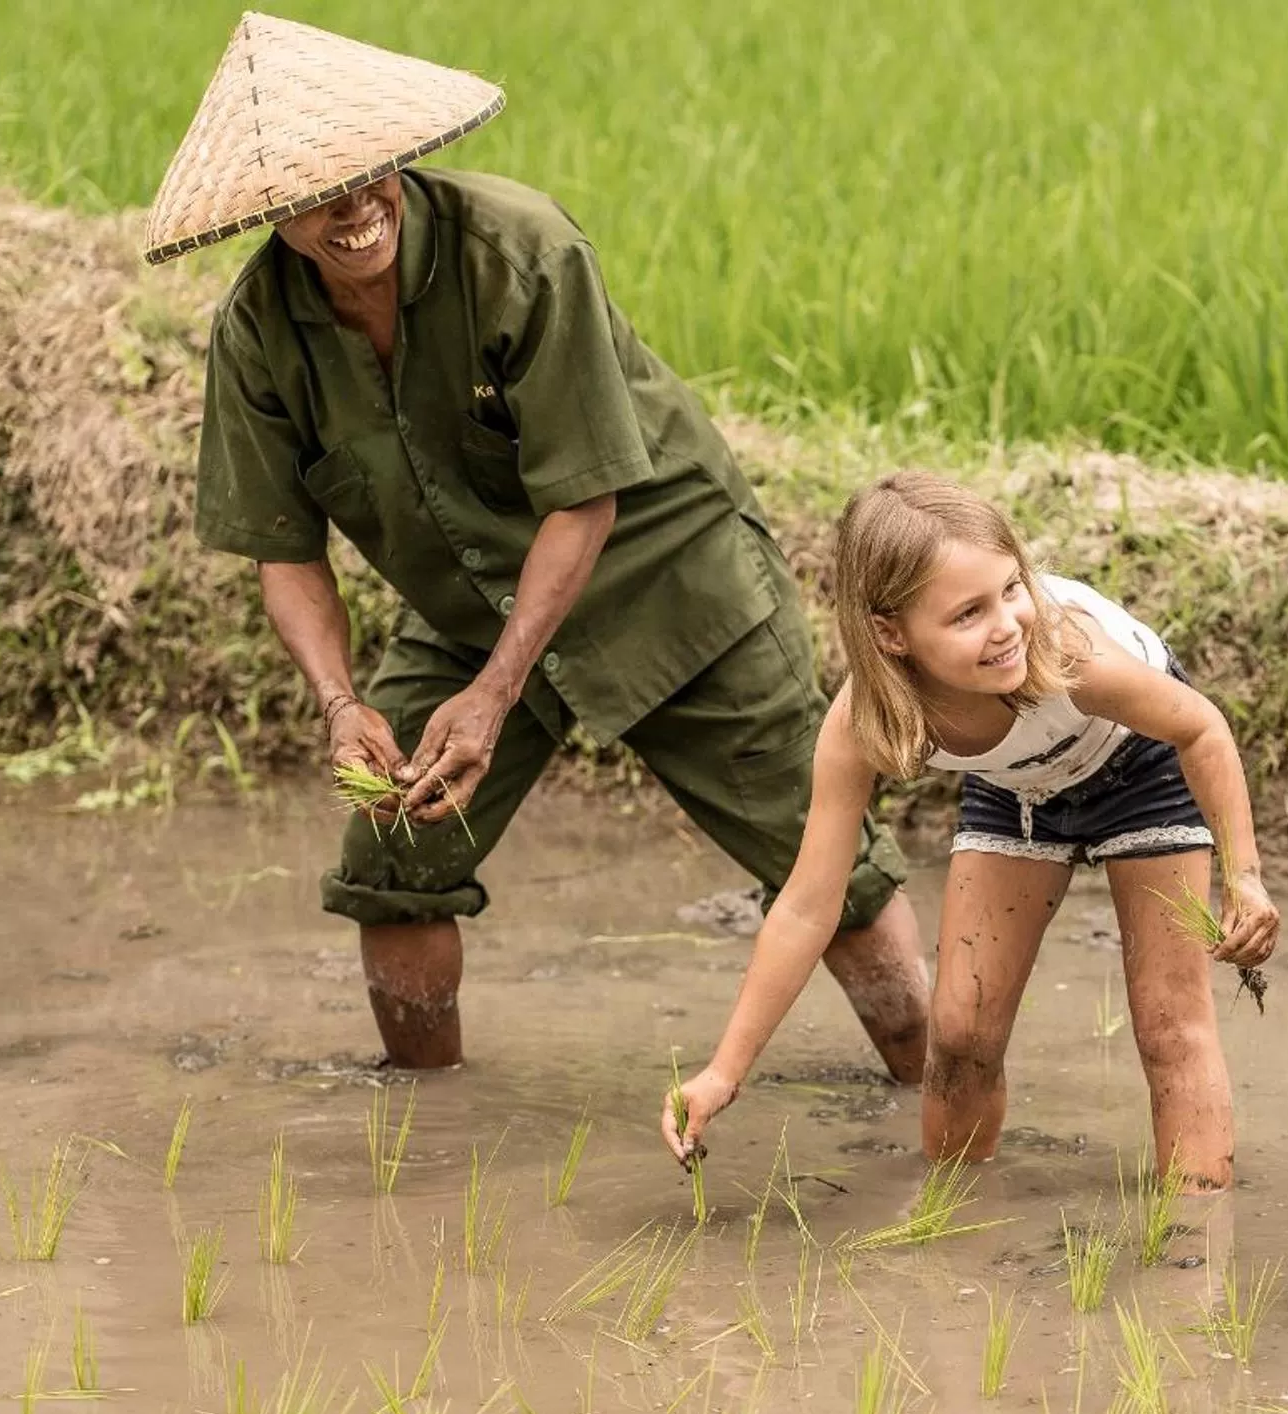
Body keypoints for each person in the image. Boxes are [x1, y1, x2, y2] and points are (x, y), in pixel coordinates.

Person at [143, 14, 927, 1076]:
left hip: (665, 576)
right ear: (269, 215)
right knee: (391, 855)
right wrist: (340, 704)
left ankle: (935, 1101)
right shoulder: (258, 334)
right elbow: (285, 552)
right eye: (313, 197)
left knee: (824, 864)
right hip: (474, 604)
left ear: (399, 157)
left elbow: (588, 500)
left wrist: (498, 690)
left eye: (370, 175)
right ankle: (423, 1125)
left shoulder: (518, 251)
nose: (354, 208)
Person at [661, 473, 1279, 1189]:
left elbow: (1200, 726)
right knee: (959, 1036)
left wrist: (1246, 875)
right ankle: (951, 1221)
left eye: (1011, 588)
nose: (1007, 625)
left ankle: (1193, 1247)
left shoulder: (1062, 647)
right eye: (967, 614)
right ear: (891, 634)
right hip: (1019, 787)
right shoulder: (864, 720)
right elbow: (806, 904)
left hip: (1141, 760)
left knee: (1170, 1027)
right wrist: (722, 1073)